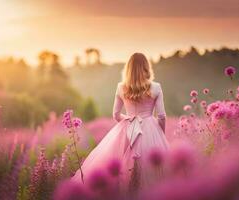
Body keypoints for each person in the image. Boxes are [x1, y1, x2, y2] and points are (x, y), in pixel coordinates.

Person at [72, 52, 169, 192]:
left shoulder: (121, 87)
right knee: (153, 171)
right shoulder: (156, 87)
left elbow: (116, 114)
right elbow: (161, 116)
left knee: (121, 170)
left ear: (128, 69)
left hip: (127, 128)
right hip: (150, 128)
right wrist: (160, 134)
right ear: (147, 68)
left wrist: (130, 121)